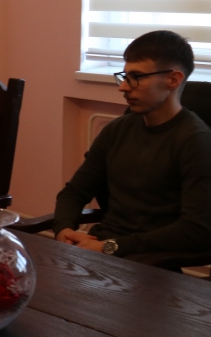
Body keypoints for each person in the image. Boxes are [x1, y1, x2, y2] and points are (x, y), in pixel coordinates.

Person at [54, 30, 211, 257]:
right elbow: (74, 192)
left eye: (136, 77)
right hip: (99, 250)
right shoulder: (116, 130)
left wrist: (110, 246)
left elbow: (196, 229)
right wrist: (65, 230)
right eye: (125, 76)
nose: (124, 87)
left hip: (149, 261)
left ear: (173, 79)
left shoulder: (195, 140)